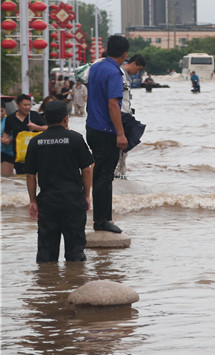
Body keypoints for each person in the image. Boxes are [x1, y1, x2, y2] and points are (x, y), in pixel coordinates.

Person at [24, 99, 94, 263]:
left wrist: (33, 201)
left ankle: (48, 284)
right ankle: (74, 283)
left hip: (48, 203)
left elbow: (30, 175)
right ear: (66, 119)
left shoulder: (36, 142)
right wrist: (87, 195)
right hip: (73, 201)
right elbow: (87, 169)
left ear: (45, 119)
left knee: (46, 254)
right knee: (75, 253)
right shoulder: (75, 138)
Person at [86, 33, 129, 234]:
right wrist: (120, 133)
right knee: (104, 177)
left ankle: (101, 218)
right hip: (106, 131)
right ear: (125, 54)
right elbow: (113, 104)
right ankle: (102, 221)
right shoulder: (114, 73)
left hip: (92, 128)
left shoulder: (95, 67)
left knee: (100, 175)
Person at [115, 54, 147, 180]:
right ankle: (117, 174)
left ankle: (121, 174)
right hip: (120, 116)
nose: (136, 73)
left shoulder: (127, 78)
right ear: (133, 64)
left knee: (126, 147)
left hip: (126, 115)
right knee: (121, 147)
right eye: (138, 69)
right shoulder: (119, 75)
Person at [2, 94, 48, 176]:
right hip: (19, 156)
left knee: (35, 177)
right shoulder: (11, 118)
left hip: (35, 155)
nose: (28, 107)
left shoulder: (34, 115)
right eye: (25, 105)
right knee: (21, 179)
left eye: (29, 105)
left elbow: (47, 128)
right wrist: (5, 140)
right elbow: (6, 133)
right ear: (18, 105)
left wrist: (36, 127)